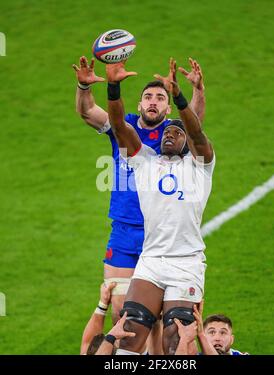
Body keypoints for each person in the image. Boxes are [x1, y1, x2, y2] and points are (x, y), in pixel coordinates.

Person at [72, 56, 206, 328]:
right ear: (139, 104)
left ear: (168, 108)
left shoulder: (173, 136)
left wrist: (197, 91)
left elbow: (195, 125)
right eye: (148, 97)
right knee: (121, 310)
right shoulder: (124, 127)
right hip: (123, 230)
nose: (153, 101)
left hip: (158, 232)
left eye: (159, 97)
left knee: (153, 316)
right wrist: (84, 87)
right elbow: (87, 112)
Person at [105, 57, 215, 355]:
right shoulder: (144, 162)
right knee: (131, 327)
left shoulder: (200, 166)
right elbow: (118, 126)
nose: (170, 134)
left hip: (186, 261)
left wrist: (180, 96)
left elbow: (197, 133)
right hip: (151, 259)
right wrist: (113, 88)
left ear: (187, 143)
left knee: (175, 335)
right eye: (168, 131)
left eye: (178, 133)